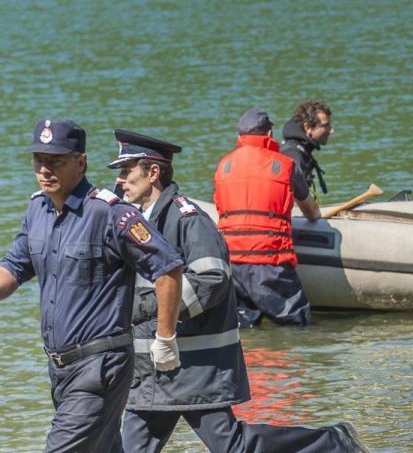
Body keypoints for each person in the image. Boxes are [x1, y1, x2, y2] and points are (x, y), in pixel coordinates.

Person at [110, 131, 367, 453]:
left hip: (194, 368)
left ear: (153, 172)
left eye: (126, 171)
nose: (120, 181)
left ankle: (330, 443)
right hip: (154, 370)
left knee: (232, 447)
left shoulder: (189, 220)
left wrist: (147, 309)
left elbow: (213, 280)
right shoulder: (140, 220)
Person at [0, 118, 184, 453]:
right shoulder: (36, 210)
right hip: (59, 369)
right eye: (39, 160)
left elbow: (168, 267)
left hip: (100, 366)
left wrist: (166, 337)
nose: (45, 169)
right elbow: (12, 269)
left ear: (81, 162)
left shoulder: (111, 215)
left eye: (56, 161)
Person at [214, 108, 322, 328]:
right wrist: (316, 213)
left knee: (244, 327)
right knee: (298, 326)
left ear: (239, 138)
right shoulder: (284, 165)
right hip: (269, 262)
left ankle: (252, 362)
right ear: (270, 136)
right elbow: (311, 210)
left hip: (231, 261)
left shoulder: (223, 166)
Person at [280, 99, 334, 203]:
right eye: (326, 125)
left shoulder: (297, 150)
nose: (331, 130)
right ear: (308, 127)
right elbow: (293, 202)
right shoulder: (293, 156)